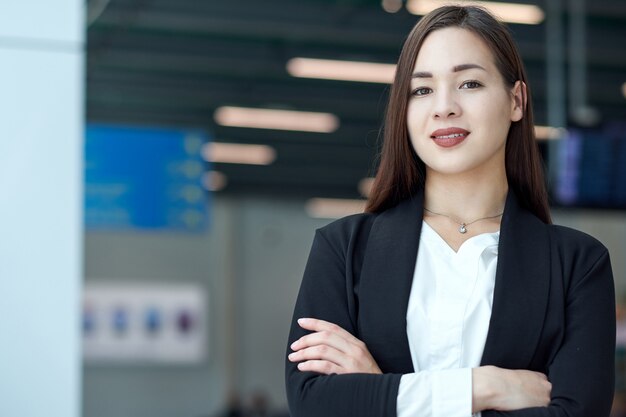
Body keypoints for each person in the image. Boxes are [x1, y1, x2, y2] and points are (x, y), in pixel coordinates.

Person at [285, 5, 616, 417]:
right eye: (422, 90)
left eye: (469, 83)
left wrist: (379, 392)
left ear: (517, 100)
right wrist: (482, 388)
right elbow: (313, 403)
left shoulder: (578, 264)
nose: (444, 107)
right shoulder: (344, 249)